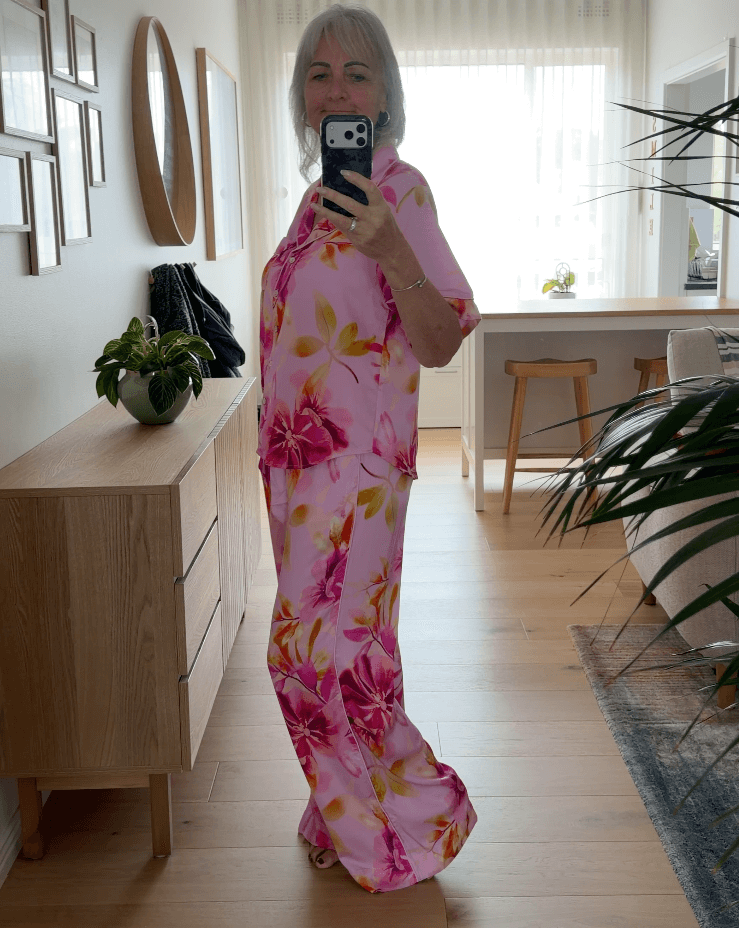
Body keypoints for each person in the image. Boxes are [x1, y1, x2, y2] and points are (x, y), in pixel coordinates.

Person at [257, 3, 480, 894]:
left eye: (356, 73)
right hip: (299, 470)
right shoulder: (316, 202)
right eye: (320, 74)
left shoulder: (401, 191)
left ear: (383, 93)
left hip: (355, 472)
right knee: (350, 649)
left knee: (307, 652)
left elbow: (441, 336)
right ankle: (338, 808)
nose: (336, 88)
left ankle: (419, 825)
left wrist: (391, 247)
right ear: (304, 99)